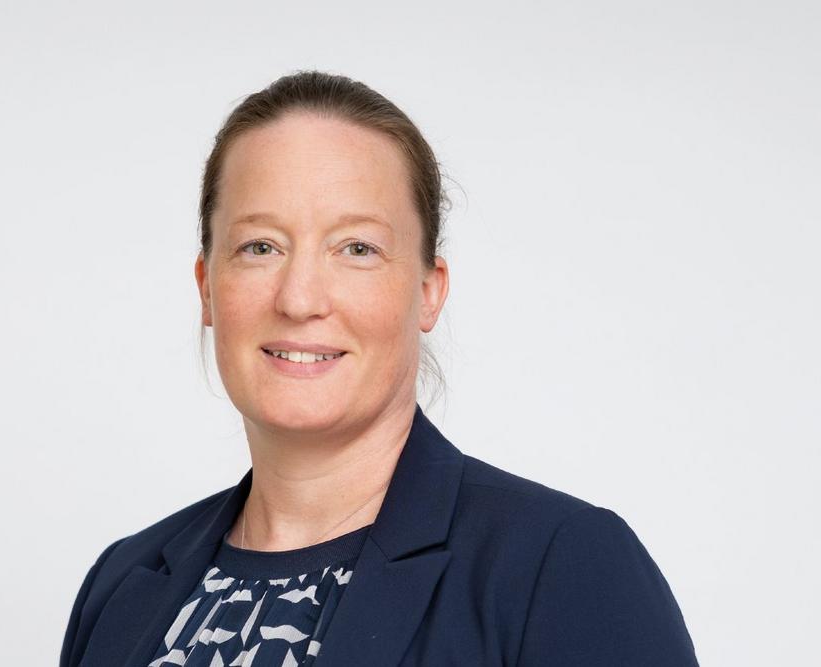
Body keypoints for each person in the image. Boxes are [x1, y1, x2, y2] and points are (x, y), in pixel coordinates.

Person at [59, 70, 700, 667]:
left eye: (357, 248)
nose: (299, 299)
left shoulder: (560, 565)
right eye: (260, 246)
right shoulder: (120, 583)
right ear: (207, 287)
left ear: (428, 291)